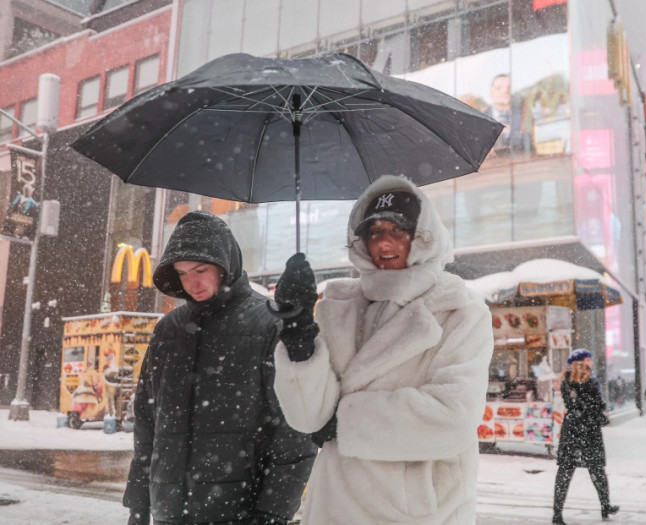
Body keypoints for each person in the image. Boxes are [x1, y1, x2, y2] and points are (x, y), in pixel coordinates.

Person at [271, 175, 494, 524]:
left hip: (417, 512)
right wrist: (298, 338)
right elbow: (309, 419)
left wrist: (345, 422)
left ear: (424, 238)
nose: (384, 241)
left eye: (398, 230)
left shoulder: (460, 310)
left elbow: (453, 417)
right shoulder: (338, 305)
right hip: (336, 505)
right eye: (374, 231)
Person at [123, 211, 315, 525]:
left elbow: (293, 430)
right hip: (169, 513)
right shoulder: (168, 331)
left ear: (226, 265)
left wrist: (273, 512)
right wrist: (138, 506)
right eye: (182, 273)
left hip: (241, 512)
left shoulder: (267, 325)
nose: (192, 282)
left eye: (201, 269)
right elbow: (147, 425)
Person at [552, 349, 619, 524]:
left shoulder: (573, 381)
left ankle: (604, 506)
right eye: (588, 360)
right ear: (580, 363)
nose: (591, 363)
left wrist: (593, 411)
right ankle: (558, 513)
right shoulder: (583, 382)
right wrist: (598, 414)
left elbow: (580, 405)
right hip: (585, 431)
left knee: (580, 470)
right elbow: (588, 406)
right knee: (582, 470)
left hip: (576, 430)